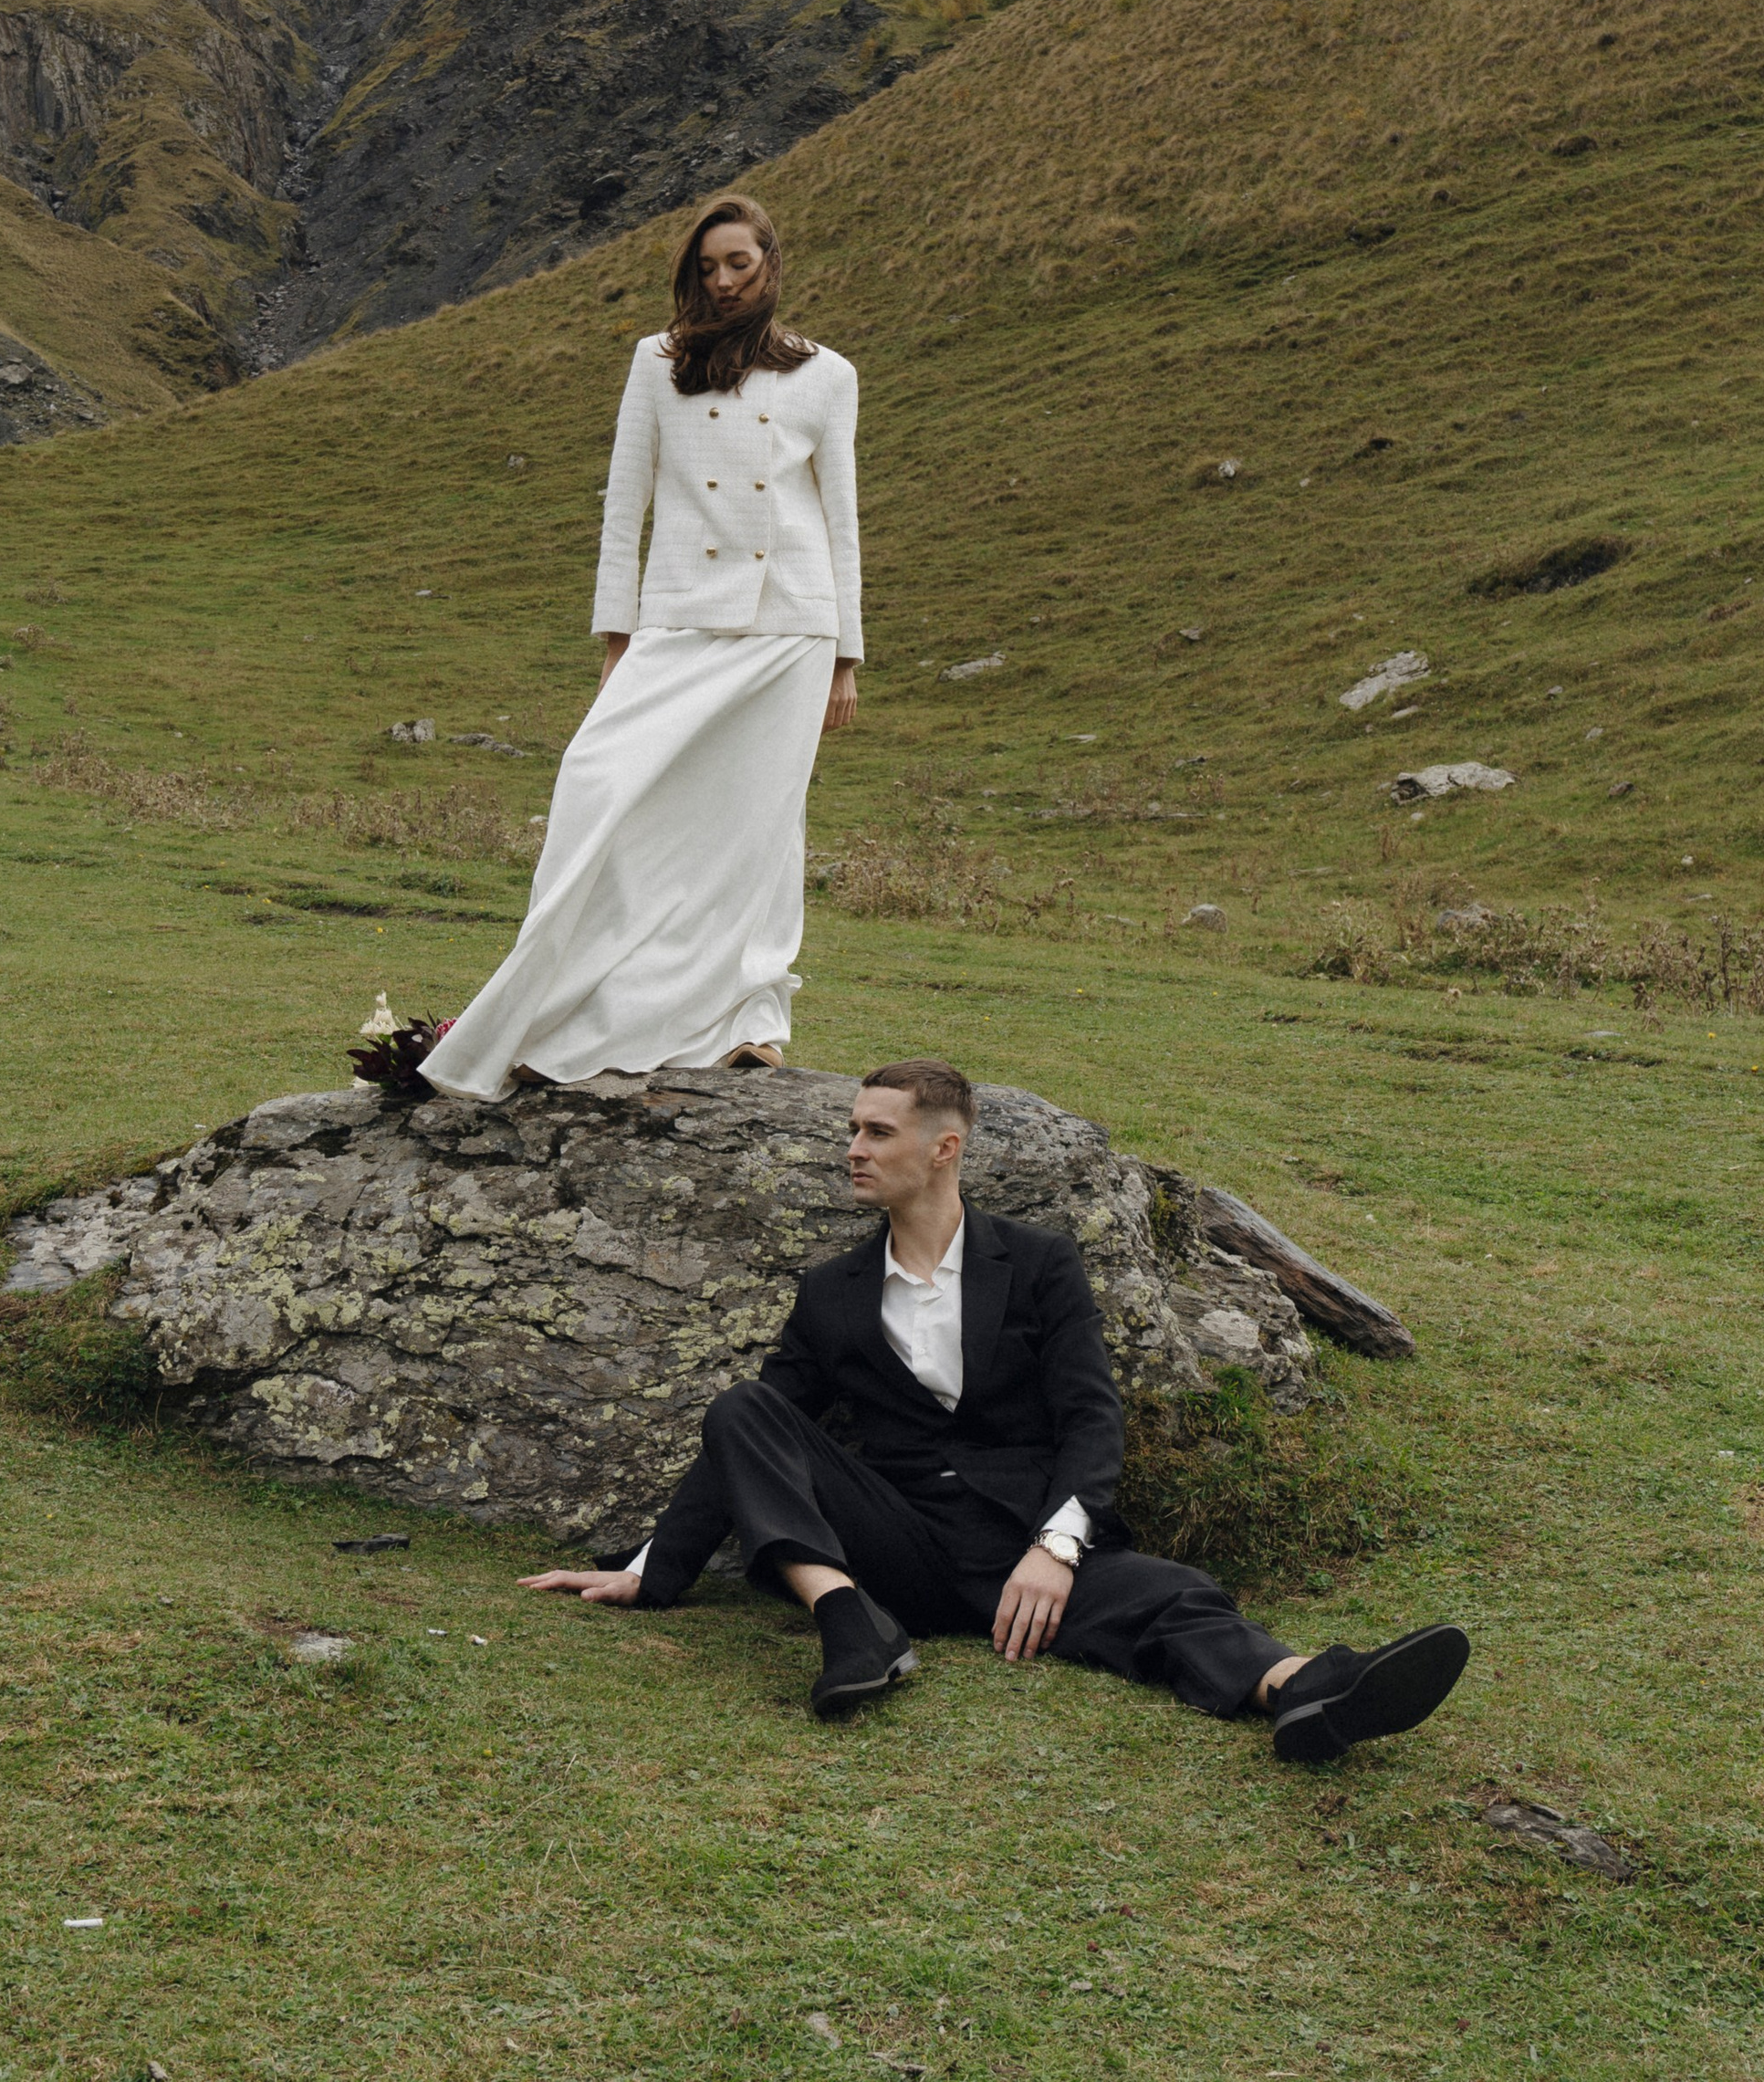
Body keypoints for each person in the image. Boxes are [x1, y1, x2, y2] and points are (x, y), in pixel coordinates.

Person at [521, 1059, 1471, 1759]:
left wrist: (1055, 1551)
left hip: (1021, 1541)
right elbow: (754, 1440)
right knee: (744, 1408)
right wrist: (654, 1569)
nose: (853, 1150)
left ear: (945, 1148)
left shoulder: (1040, 1263)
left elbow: (1091, 1418)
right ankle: (850, 1626)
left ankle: (1308, 1696)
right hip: (895, 1547)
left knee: (1171, 1594)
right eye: (851, 1131)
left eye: (876, 1133)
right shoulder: (832, 1293)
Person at [423, 193, 860, 1101]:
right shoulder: (656, 364)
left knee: (760, 825)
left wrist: (847, 654)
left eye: (739, 262)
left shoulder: (827, 375)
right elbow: (625, 507)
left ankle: (751, 1022)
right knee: (596, 784)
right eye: (707, 268)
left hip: (791, 625)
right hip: (679, 616)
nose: (724, 280)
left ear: (772, 262)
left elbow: (840, 517)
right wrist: (616, 639)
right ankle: (571, 1005)